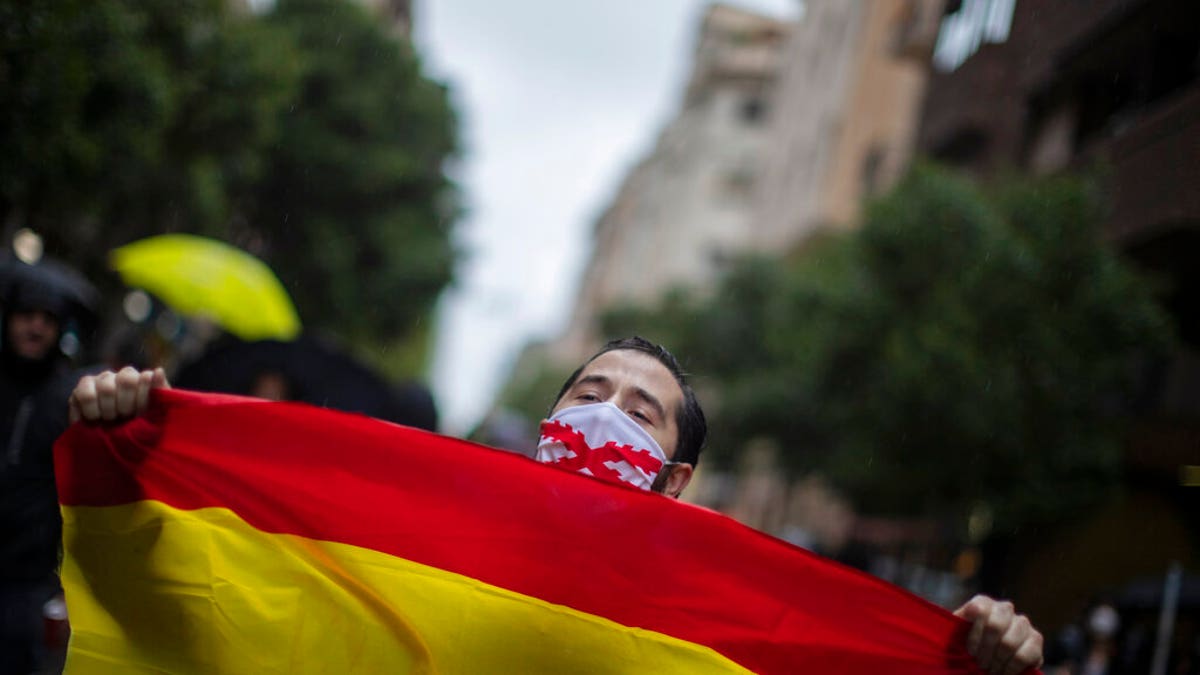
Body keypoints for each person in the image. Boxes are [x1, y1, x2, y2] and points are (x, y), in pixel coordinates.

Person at [69, 336, 1045, 674]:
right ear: (546, 420)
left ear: (673, 479)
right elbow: (221, 604)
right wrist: (131, 448)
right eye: (587, 393)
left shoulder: (729, 610)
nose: (606, 415)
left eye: (641, 411)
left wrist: (975, 662)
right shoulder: (416, 529)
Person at [1, 276, 91, 674]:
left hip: (28, 586)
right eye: (26, 315)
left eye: (47, 319)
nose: (35, 327)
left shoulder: (68, 397)